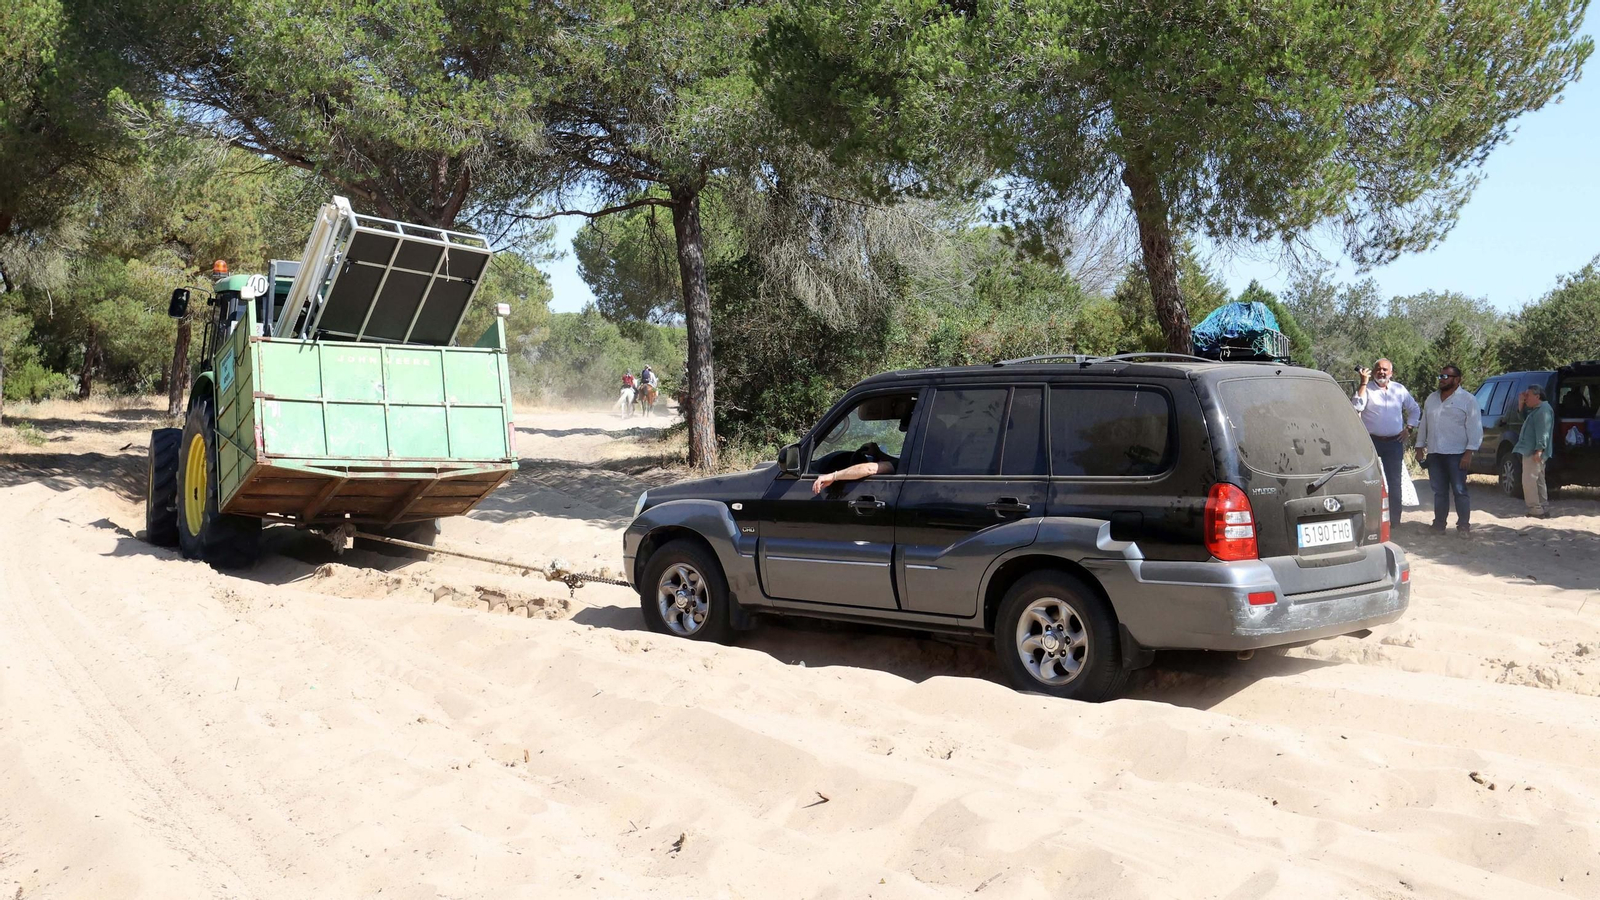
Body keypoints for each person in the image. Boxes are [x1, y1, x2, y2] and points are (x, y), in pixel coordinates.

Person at [1414, 363, 1483, 535]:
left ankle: (1464, 526)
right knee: (1439, 491)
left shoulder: (1468, 400)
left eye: (1446, 376)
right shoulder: (1431, 398)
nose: (1442, 380)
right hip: (1435, 453)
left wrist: (1469, 452)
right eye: (1440, 376)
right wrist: (1419, 446)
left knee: (1460, 490)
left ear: (1457, 379)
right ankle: (1439, 525)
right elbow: (1424, 424)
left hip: (1457, 454)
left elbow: (1474, 428)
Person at [1352, 358, 1421, 514]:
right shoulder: (1367, 388)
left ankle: (1395, 519)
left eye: (1385, 369)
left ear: (1391, 373)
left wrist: (1409, 429)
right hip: (1371, 442)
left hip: (1394, 442)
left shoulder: (1399, 389)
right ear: (1373, 371)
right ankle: (1372, 516)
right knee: (1370, 481)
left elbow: (1415, 409)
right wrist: (1363, 383)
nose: (1381, 372)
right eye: (1378, 369)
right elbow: (1357, 406)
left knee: (1395, 482)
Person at [1514, 384, 1555, 518]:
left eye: (1528, 395)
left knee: (1529, 480)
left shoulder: (1543, 410)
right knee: (1538, 480)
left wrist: (1539, 450)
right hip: (1532, 450)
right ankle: (1543, 507)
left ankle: (1535, 510)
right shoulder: (1536, 410)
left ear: (1537, 396)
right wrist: (1521, 403)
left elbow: (1543, 432)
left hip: (1534, 451)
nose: (1526, 398)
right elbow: (1523, 419)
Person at [812, 445, 896, 494]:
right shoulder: (906, 462)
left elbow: (869, 469)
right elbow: (897, 462)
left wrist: (833, 476)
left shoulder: (903, 464)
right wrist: (878, 453)